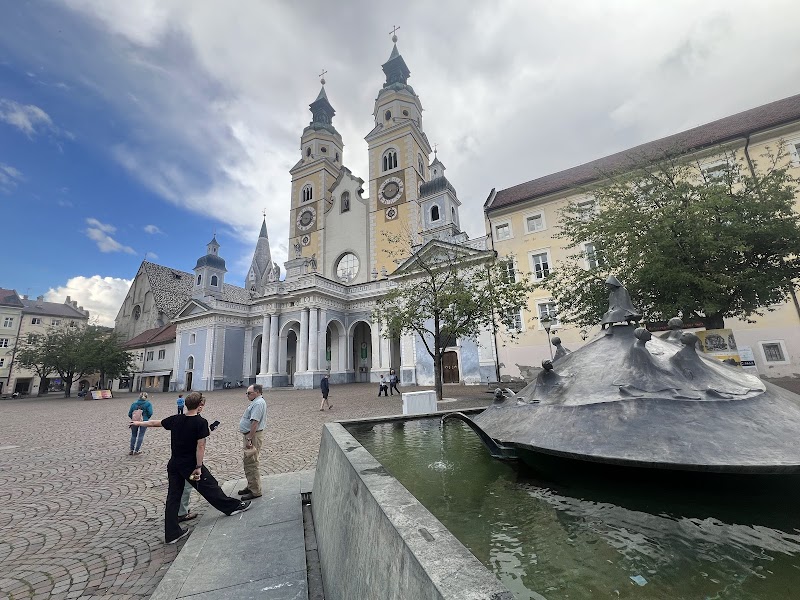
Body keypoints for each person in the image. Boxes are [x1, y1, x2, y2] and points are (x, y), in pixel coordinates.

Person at [130, 392, 251, 544]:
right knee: (209, 486)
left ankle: (172, 534)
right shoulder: (200, 422)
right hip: (190, 466)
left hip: (174, 465)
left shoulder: (176, 419)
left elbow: (156, 423)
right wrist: (199, 467)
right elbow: (200, 446)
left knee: (173, 497)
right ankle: (232, 507)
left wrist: (139, 423)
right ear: (200, 406)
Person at [238, 384, 267, 501]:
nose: (247, 395)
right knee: (248, 461)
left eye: (249, 393)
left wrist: (249, 438)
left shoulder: (259, 403)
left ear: (258, 392)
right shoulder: (256, 402)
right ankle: (251, 485)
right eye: (247, 393)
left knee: (252, 462)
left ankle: (255, 491)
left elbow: (255, 423)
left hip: (253, 436)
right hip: (251, 435)